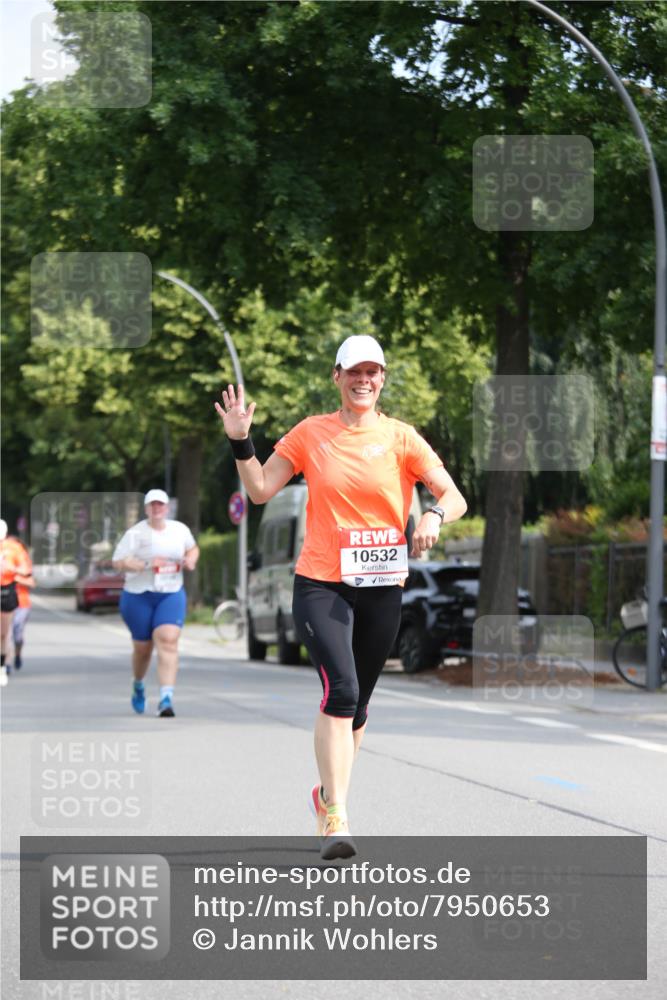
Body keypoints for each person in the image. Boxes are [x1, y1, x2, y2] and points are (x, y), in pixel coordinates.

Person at [215, 335, 467, 859]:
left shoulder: (402, 438)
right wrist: (242, 442)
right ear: (337, 377)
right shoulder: (312, 433)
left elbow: (453, 494)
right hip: (322, 584)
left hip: (382, 587)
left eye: (373, 372)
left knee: (359, 707)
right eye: (354, 371)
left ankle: (326, 794)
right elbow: (260, 489)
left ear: (382, 379)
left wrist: (432, 515)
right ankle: (338, 817)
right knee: (342, 691)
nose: (364, 380)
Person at [112, 490, 200, 717]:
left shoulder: (179, 530)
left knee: (168, 640)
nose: (157, 509)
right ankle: (138, 684)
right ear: (146, 509)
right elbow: (118, 562)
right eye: (152, 505)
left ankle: (166, 698)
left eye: (160, 505)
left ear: (167, 508)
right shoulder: (135, 534)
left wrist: (191, 559)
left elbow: (193, 547)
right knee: (143, 649)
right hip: (138, 594)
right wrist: (146, 564)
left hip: (170, 593)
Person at [0, 518, 31, 686]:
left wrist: (12, 570)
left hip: (7, 592)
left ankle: (3, 666)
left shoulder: (14, 548)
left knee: (5, 633)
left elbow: (26, 570)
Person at [9, 535, 35, 671]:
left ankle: (17, 654)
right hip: (5, 602)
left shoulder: (24, 565)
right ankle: (6, 663)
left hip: (21, 603)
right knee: (5, 634)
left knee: (17, 634)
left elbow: (31, 582)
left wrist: (15, 578)